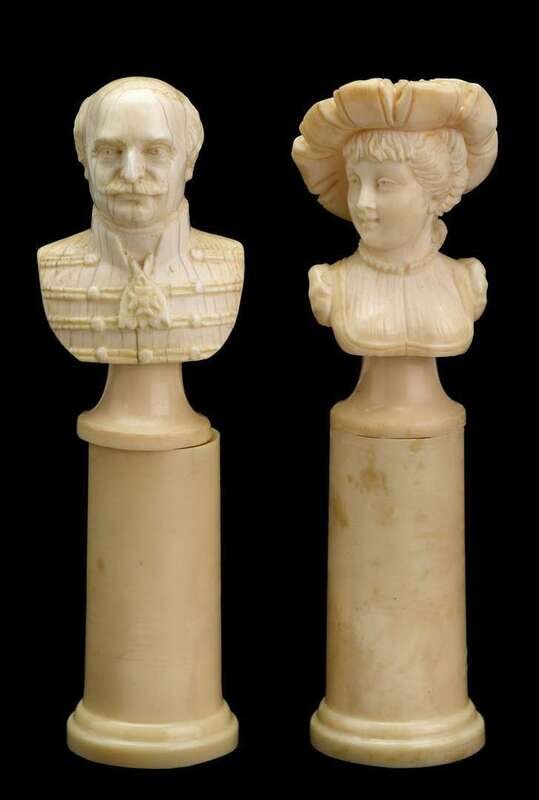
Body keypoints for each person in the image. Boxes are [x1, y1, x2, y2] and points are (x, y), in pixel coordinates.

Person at [38, 77, 244, 365]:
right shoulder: (53, 264)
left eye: (156, 151)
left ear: (189, 162)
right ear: (84, 160)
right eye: (108, 151)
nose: (131, 173)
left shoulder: (228, 259)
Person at [292, 78, 497, 356]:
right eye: (355, 181)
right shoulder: (330, 284)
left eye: (384, 184)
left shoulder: (466, 281)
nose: (362, 202)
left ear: (434, 192)